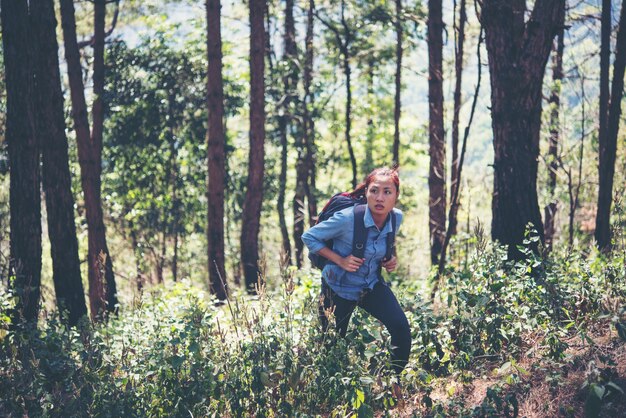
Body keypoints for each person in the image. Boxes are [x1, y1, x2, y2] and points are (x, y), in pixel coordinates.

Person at [301, 167, 411, 376]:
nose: (380, 198)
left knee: (401, 328)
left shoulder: (396, 218)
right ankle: (331, 399)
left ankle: (392, 380)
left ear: (396, 196)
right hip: (337, 288)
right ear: (366, 192)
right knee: (331, 347)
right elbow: (309, 237)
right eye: (374, 191)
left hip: (370, 285)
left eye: (387, 192)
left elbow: (381, 243)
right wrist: (340, 260)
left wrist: (389, 259)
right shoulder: (347, 218)